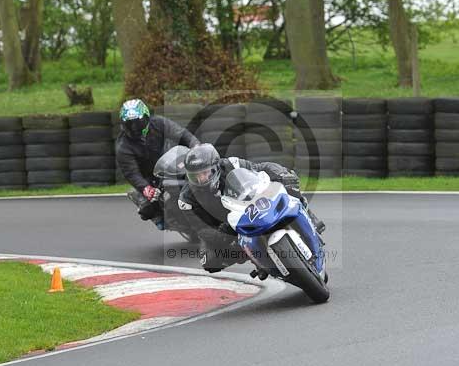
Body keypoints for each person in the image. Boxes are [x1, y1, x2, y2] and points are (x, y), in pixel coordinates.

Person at [178, 143, 325, 273]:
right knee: (209, 262)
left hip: (250, 204)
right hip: (224, 226)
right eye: (195, 176)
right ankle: (255, 256)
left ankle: (308, 215)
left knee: (288, 183)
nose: (200, 179)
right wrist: (223, 236)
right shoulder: (186, 199)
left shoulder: (230, 164)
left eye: (204, 173)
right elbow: (201, 229)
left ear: (216, 167)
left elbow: (259, 169)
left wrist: (281, 174)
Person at [115, 98, 199, 226]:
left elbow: (181, 134)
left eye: (138, 123)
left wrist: (196, 146)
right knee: (146, 208)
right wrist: (145, 188)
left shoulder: (158, 123)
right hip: (148, 176)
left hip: (170, 162)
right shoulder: (123, 147)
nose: (134, 128)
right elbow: (132, 173)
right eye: (129, 124)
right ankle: (161, 217)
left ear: (146, 118)